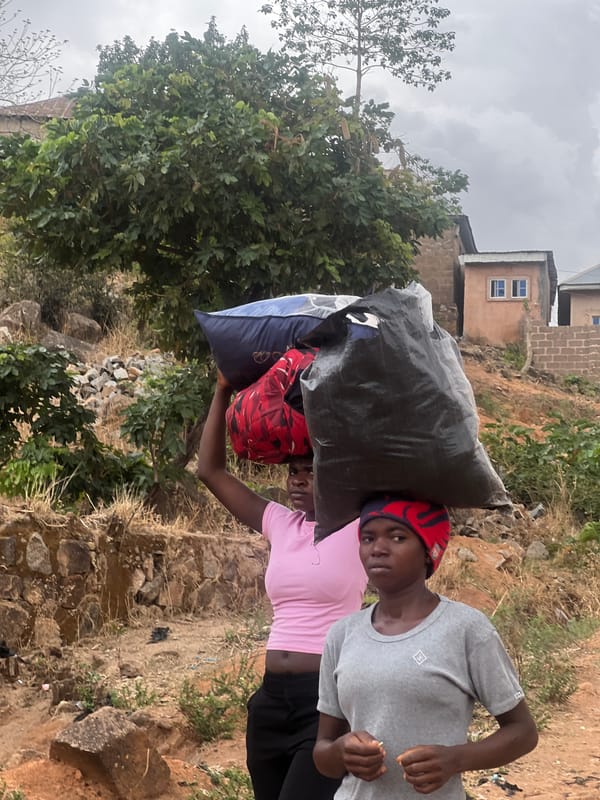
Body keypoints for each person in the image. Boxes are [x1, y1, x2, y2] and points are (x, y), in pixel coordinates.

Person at [196, 370, 368, 800]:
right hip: (270, 702)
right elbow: (209, 471)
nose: (297, 479)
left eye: (310, 471)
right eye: (293, 470)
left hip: (326, 703)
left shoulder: (364, 528)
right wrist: (222, 390)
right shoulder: (279, 523)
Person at [313, 496, 538, 799]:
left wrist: (455, 759)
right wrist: (341, 752)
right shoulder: (342, 635)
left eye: (397, 537)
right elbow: (322, 752)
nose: (378, 548)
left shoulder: (465, 629)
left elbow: (523, 732)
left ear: (428, 551)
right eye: (368, 538)